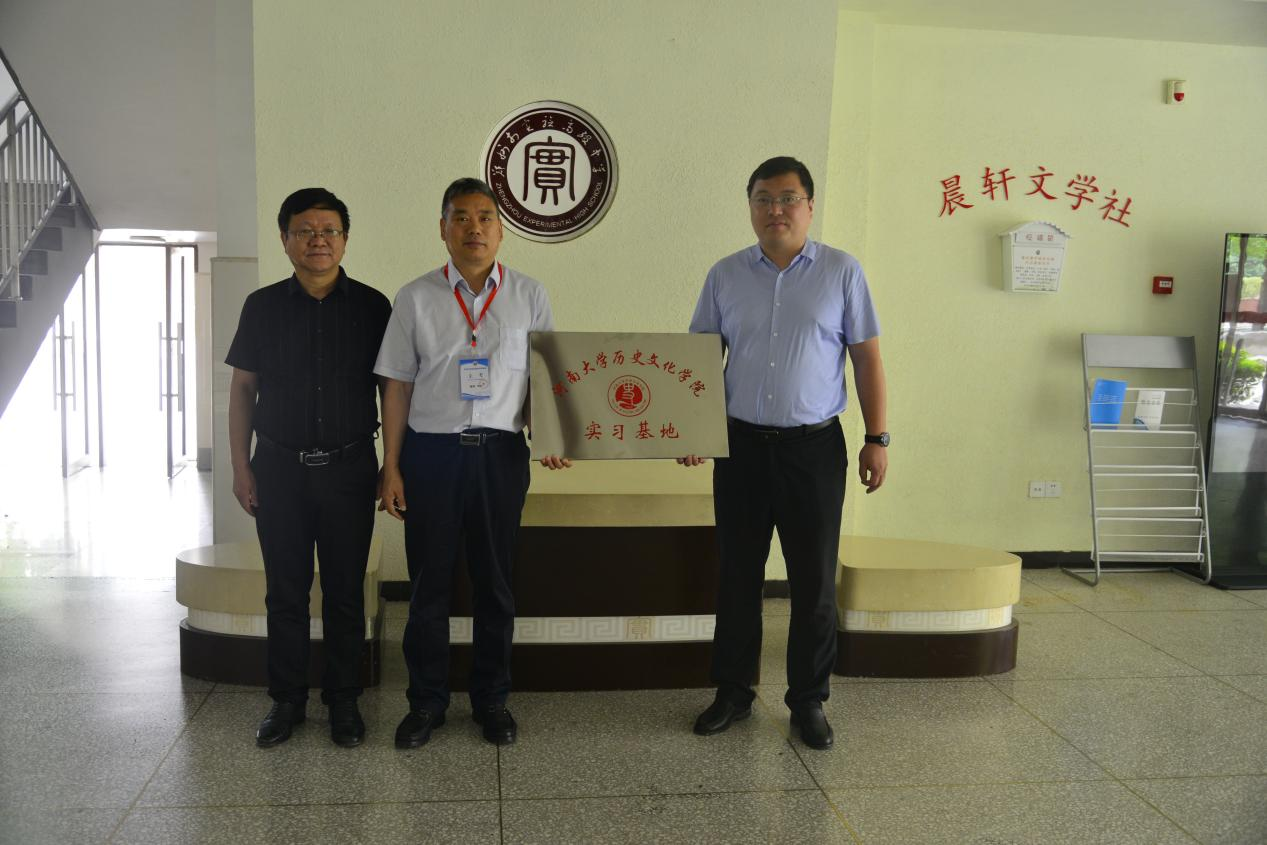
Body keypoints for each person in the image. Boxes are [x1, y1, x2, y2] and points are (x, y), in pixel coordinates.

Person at [681, 156, 888, 750]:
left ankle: (809, 700)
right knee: (737, 576)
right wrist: (694, 431)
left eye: (788, 198)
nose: (776, 209)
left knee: (814, 581)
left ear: (809, 206)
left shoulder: (842, 272)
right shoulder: (725, 275)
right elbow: (700, 359)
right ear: (750, 207)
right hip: (739, 448)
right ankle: (733, 692)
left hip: (813, 449)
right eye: (764, 199)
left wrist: (877, 438)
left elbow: (867, 358)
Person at [375, 177, 567, 749]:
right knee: (428, 587)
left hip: (500, 456)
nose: (473, 228)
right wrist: (391, 466)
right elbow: (396, 386)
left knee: (495, 584)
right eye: (461, 217)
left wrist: (551, 434)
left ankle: (491, 699)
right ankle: (426, 702)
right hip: (431, 456)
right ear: (443, 229)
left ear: (501, 231)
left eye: (485, 217)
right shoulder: (415, 297)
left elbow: (544, 377)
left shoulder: (530, 294)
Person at [226, 187, 392, 748]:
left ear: (345, 239)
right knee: (285, 591)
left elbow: (393, 390)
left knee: (346, 591)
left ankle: (344, 700)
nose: (318, 240)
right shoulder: (261, 307)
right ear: (285, 239)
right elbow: (242, 390)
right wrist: (240, 467)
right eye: (305, 231)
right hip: (279, 468)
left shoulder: (373, 307)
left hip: (349, 468)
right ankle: (287, 701)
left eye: (329, 231)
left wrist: (393, 465)